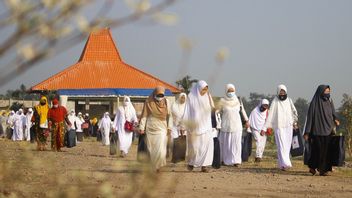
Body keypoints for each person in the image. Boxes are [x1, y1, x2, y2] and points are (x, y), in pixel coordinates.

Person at [304, 85, 340, 176]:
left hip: (328, 130)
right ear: (320, 92)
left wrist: (336, 119)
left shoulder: (329, 101)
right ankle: (312, 167)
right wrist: (307, 132)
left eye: (329, 92)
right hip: (317, 131)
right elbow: (310, 118)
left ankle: (323, 170)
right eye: (326, 92)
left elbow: (333, 112)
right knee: (317, 150)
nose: (327, 94)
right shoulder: (314, 103)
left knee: (326, 151)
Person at [262, 84, 298, 171]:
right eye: (280, 92)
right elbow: (270, 115)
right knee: (281, 145)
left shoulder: (289, 100)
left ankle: (282, 164)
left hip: (288, 126)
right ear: (278, 92)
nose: (282, 94)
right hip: (279, 126)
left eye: (283, 92)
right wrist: (265, 127)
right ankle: (286, 163)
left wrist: (295, 122)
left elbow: (294, 111)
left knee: (287, 145)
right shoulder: (275, 101)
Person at [182, 80, 214, 173]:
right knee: (194, 147)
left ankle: (204, 166)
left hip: (207, 126)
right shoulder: (191, 97)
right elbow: (187, 111)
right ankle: (191, 163)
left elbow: (212, 108)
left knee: (206, 146)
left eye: (206, 90)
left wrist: (209, 97)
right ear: (198, 88)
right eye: (203, 89)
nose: (204, 91)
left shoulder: (207, 96)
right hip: (194, 127)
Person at [139, 86, 173, 172]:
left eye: (162, 95)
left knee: (161, 149)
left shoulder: (167, 102)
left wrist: (169, 127)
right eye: (158, 95)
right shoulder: (148, 102)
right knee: (151, 149)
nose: (160, 97)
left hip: (162, 128)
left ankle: (158, 166)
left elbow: (170, 115)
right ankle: (153, 166)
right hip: (150, 128)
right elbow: (144, 116)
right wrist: (142, 127)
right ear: (154, 94)